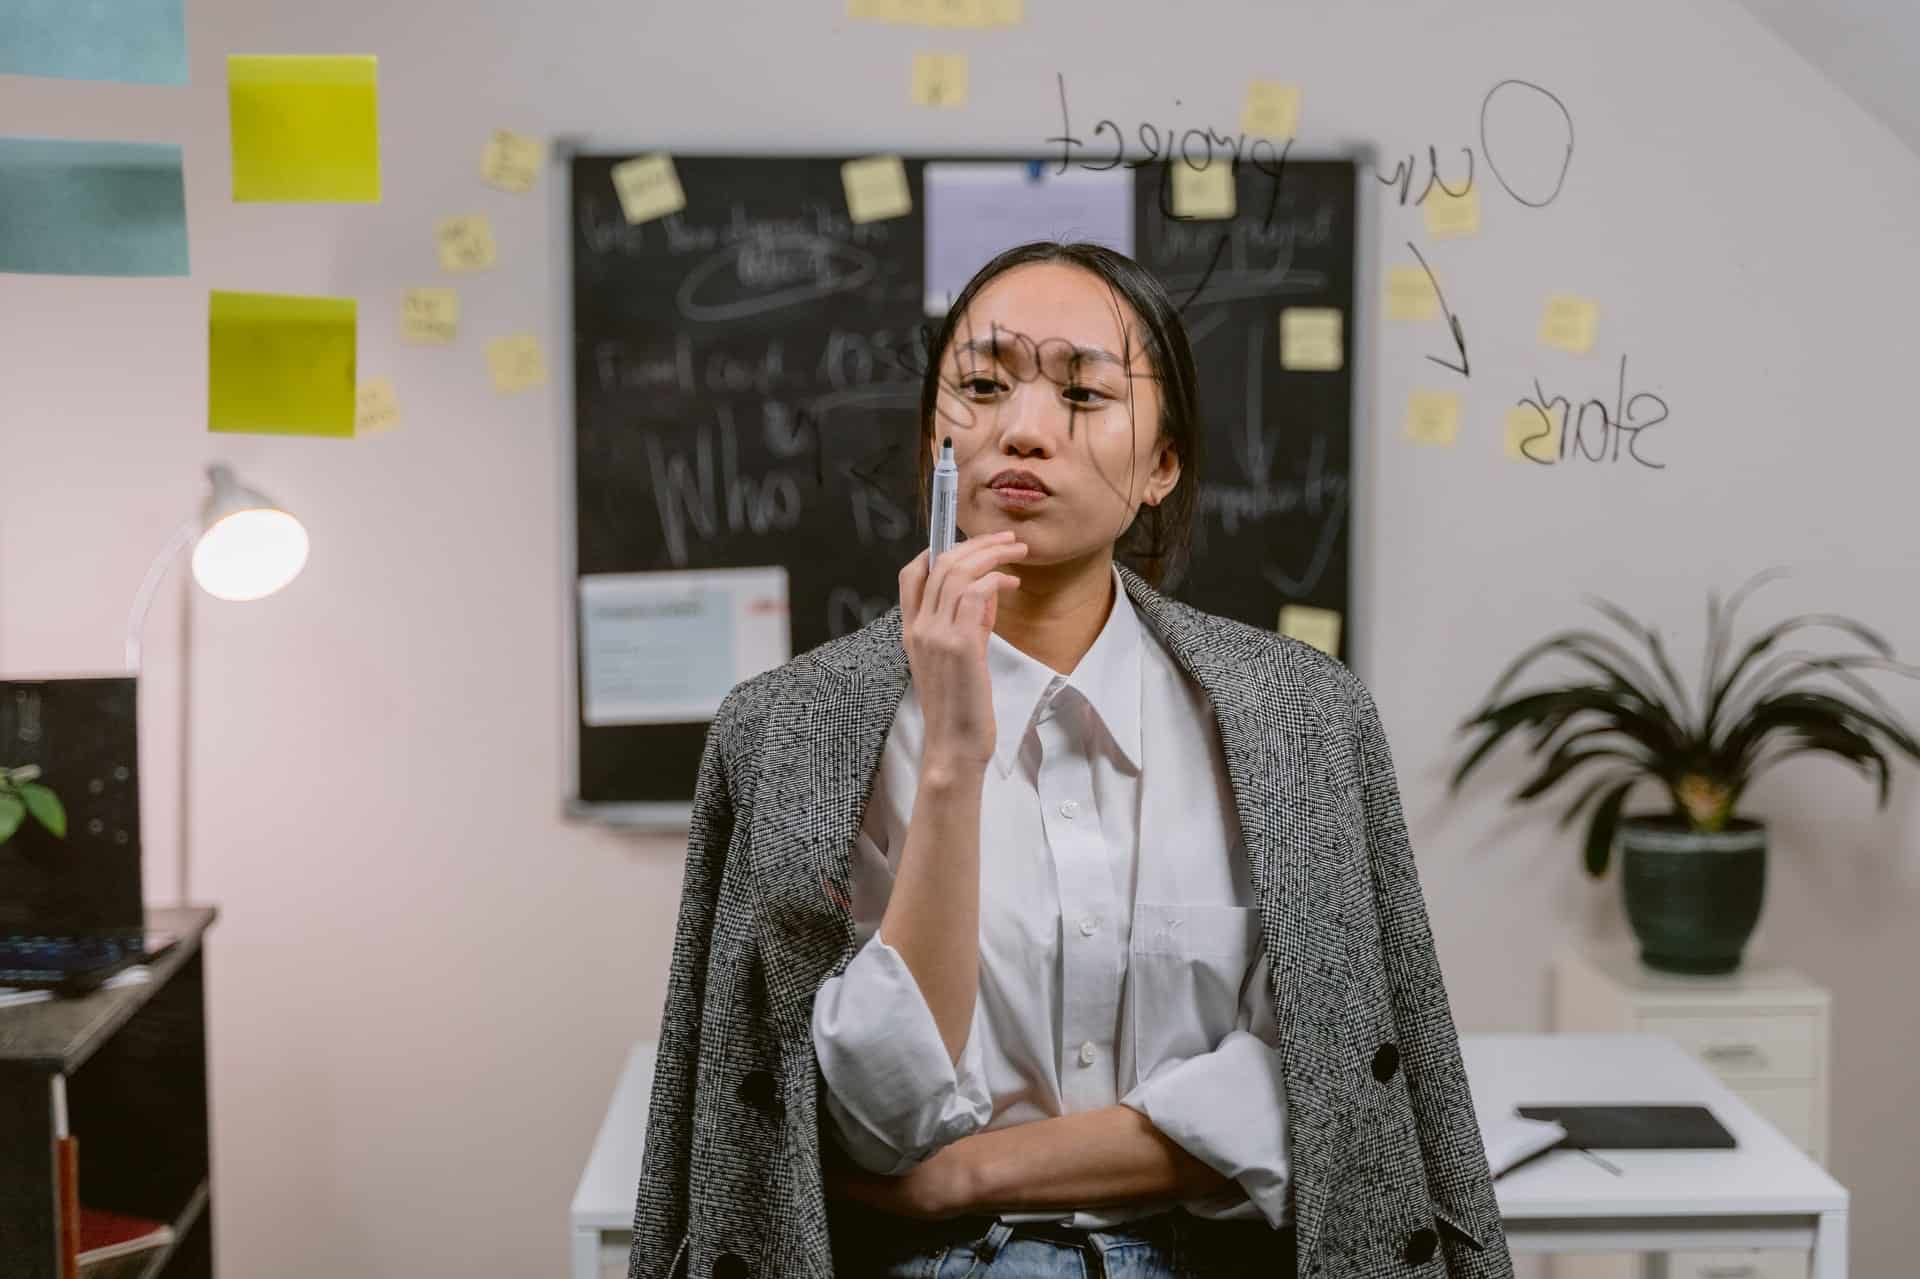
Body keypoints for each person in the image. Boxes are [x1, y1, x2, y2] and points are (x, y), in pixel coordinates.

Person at [627, 241, 1512, 1279]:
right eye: (985, 385)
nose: (1024, 428)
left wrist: (974, 1172)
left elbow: (1323, 1088)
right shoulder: (786, 732)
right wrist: (953, 759)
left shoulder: (1301, 719)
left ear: (1161, 465)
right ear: (935, 443)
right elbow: (868, 1124)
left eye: (1086, 393)